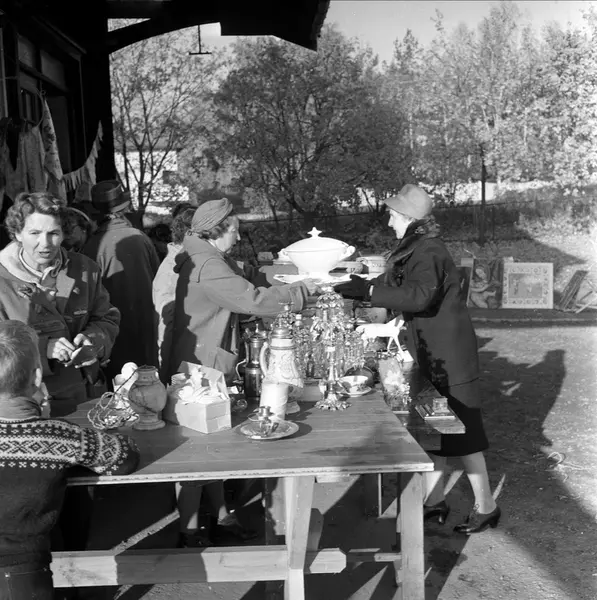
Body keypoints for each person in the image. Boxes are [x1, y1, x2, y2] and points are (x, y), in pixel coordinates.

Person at [335, 184, 501, 534]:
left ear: (407, 217)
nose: (389, 221)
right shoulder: (414, 247)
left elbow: (418, 296)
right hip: (430, 351)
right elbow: (395, 283)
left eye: (392, 215)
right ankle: (434, 501)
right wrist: (359, 286)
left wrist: (368, 291)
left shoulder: (429, 250)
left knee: (464, 434)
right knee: (437, 426)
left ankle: (487, 507)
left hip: (449, 355)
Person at [168, 198, 317, 548]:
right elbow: (252, 300)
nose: (238, 236)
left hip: (203, 360)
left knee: (211, 446)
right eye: (234, 230)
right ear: (218, 230)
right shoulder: (208, 265)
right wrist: (301, 292)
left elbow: (242, 285)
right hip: (200, 367)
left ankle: (220, 517)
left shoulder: (207, 257)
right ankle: (189, 533)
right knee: (195, 453)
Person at [0, 320, 140, 599]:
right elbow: (124, 458)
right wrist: (42, 418)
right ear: (37, 377)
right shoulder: (59, 436)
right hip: (21, 575)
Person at [81, 180, 160, 384]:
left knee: (119, 385)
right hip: (145, 323)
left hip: (110, 327)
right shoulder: (140, 238)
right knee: (148, 382)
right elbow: (158, 279)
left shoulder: (91, 245)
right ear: (125, 210)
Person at [152, 204, 195, 382]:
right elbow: (165, 329)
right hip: (179, 371)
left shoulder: (187, 263)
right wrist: (167, 377)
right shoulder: (172, 272)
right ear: (191, 235)